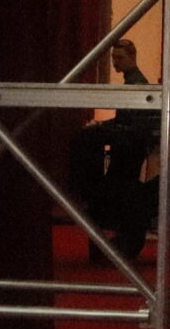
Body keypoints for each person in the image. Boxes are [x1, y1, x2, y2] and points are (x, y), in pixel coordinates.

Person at [65, 37, 159, 261]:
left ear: (132, 57)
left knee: (117, 187)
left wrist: (102, 128)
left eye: (120, 58)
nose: (115, 62)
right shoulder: (134, 82)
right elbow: (124, 122)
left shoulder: (136, 85)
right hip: (127, 144)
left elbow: (131, 124)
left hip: (128, 148)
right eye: (114, 58)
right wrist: (102, 125)